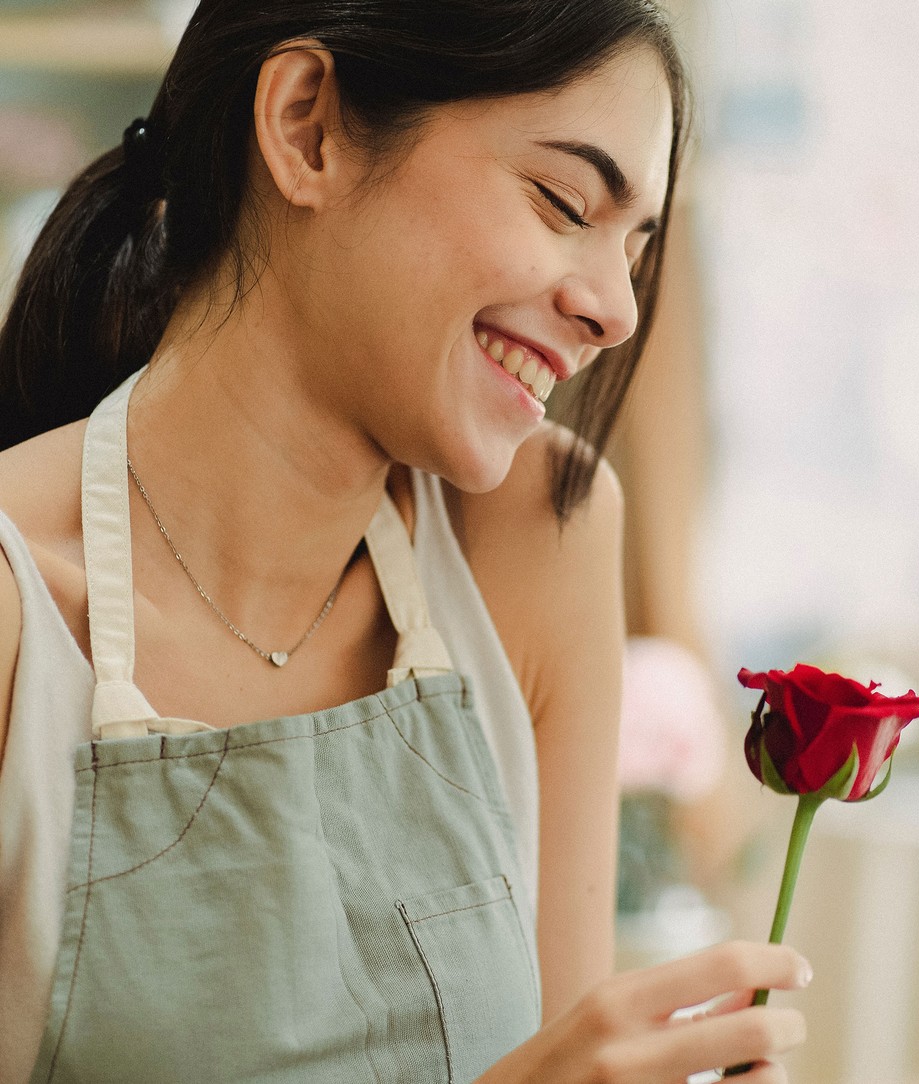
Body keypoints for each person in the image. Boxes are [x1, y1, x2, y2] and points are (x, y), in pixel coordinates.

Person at [0, 1, 810, 1081]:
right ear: (308, 129)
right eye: (565, 200)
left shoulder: (540, 540)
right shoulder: (17, 613)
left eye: (638, 246)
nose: (617, 309)